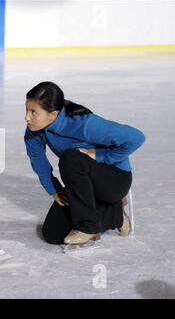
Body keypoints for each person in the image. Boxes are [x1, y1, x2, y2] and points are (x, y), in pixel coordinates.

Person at [24, 82, 145, 245]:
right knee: (53, 234)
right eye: (26, 110)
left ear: (52, 114)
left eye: (33, 112)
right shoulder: (34, 131)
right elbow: (39, 163)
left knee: (71, 158)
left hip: (115, 180)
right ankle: (114, 213)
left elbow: (136, 138)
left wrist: (100, 155)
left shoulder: (83, 123)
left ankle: (88, 226)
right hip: (84, 185)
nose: (27, 117)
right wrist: (55, 189)